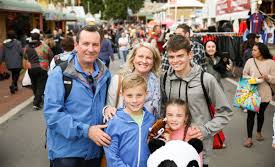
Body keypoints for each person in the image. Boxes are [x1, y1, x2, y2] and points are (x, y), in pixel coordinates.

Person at [44, 25, 112, 167]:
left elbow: (107, 104)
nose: (91, 49)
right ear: (76, 45)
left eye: (95, 44)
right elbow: (52, 115)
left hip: (95, 151)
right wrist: (87, 131)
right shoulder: (60, 74)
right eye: (86, 44)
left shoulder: (105, 74)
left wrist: (109, 109)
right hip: (66, 153)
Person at [160, 35, 233, 166]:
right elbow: (163, 110)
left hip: (199, 149)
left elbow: (225, 112)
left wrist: (205, 130)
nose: (175, 61)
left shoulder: (206, 79)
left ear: (190, 55)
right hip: (172, 149)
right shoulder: (165, 78)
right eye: (171, 57)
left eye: (180, 56)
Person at [104, 73, 155, 167]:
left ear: (146, 94)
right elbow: (112, 156)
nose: (134, 100)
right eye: (129, 95)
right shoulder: (115, 121)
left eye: (139, 95)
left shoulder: (151, 120)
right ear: (122, 94)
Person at [103, 42, 161, 120]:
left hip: (149, 129)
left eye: (148, 58)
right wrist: (107, 109)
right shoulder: (119, 80)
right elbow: (109, 107)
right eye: (140, 56)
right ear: (133, 58)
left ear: (153, 62)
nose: (144, 61)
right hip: (124, 128)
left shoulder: (157, 82)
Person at [242, 42, 275, 148]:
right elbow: (244, 73)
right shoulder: (250, 61)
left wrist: (268, 77)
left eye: (255, 50)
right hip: (251, 91)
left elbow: (274, 78)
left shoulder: (271, 62)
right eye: (253, 50)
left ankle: (259, 132)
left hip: (265, 93)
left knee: (261, 114)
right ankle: (249, 138)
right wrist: (250, 79)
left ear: (261, 51)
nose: (252, 52)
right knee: (250, 115)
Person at [23, 29, 53, 110]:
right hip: (42, 68)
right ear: (39, 38)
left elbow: (25, 57)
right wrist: (49, 65)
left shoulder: (26, 47)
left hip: (31, 68)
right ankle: (36, 102)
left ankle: (37, 99)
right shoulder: (44, 46)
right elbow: (51, 55)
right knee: (41, 86)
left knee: (34, 84)